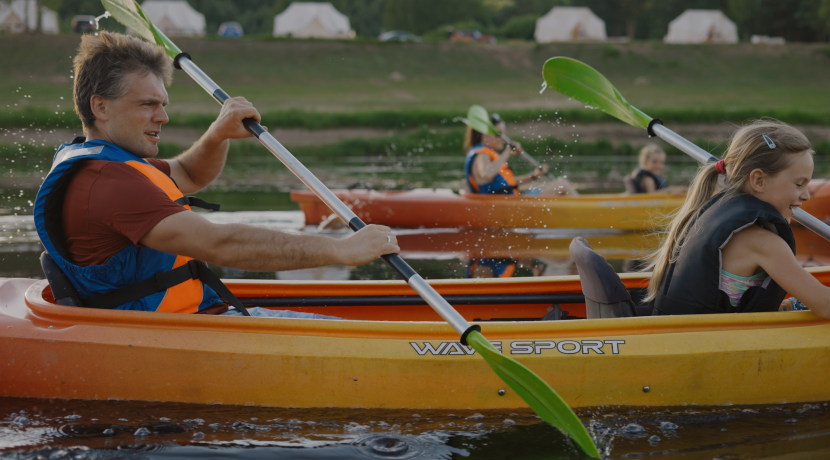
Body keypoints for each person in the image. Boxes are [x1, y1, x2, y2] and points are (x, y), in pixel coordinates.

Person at [33, 31, 399, 316]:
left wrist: (217, 133)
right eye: (148, 105)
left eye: (163, 104)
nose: (163, 117)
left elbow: (189, 174)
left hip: (194, 318)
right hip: (167, 336)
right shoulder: (109, 184)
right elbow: (219, 244)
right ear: (100, 107)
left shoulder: (111, 163)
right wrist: (340, 250)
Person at [645, 119, 830, 318]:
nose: (806, 196)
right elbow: (825, 305)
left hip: (683, 333)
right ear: (758, 181)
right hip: (705, 344)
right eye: (799, 184)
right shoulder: (762, 242)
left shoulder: (716, 212)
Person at [463, 110, 578, 196]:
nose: (503, 138)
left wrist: (533, 177)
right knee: (563, 185)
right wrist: (507, 153)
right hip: (506, 205)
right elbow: (486, 175)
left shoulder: (487, 154)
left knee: (561, 187)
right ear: (485, 134)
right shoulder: (481, 154)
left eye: (504, 134)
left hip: (509, 203)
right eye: (499, 134)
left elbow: (507, 185)